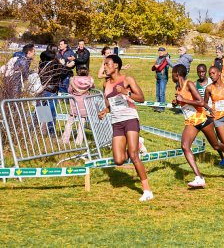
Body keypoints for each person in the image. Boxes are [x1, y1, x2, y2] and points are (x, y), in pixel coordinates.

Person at [98, 55, 154, 201]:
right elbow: (109, 103)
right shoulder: (105, 84)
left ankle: (147, 191)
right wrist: (105, 111)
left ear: (115, 65)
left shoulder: (127, 79)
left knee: (134, 155)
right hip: (116, 122)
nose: (104, 67)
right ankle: (138, 143)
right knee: (118, 160)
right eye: (104, 64)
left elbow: (141, 98)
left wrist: (125, 92)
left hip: (130, 118)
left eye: (107, 64)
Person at [171, 64, 224, 187]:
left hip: (202, 118)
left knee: (216, 145)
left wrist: (183, 100)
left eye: (172, 74)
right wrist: (176, 102)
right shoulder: (178, 88)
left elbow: (200, 101)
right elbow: (184, 102)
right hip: (191, 121)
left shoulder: (189, 84)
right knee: (185, 146)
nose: (171, 76)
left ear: (177, 74)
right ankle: (199, 177)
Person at [194, 63, 224, 166]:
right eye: (199, 72)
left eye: (203, 71)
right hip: (202, 114)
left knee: (218, 136)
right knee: (212, 138)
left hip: (213, 112)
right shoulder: (195, 84)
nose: (201, 74)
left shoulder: (211, 81)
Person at [62, 67, 94, 145]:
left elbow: (69, 90)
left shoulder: (73, 79)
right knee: (81, 123)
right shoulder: (90, 79)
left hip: (74, 100)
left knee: (70, 122)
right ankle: (78, 141)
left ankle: (65, 140)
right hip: (84, 101)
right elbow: (93, 87)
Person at [38, 44, 65, 134]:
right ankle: (51, 131)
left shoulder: (42, 62)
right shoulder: (56, 63)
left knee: (43, 110)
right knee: (52, 110)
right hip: (52, 89)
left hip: (42, 88)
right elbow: (60, 74)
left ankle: (43, 130)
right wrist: (63, 64)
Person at [151, 47, 169, 112]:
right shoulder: (158, 58)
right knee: (158, 93)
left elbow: (160, 68)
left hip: (163, 78)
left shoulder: (166, 58)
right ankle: (158, 106)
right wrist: (155, 66)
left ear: (164, 51)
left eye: (161, 51)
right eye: (159, 51)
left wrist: (157, 67)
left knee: (162, 93)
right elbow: (152, 68)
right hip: (158, 78)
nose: (160, 52)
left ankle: (162, 107)